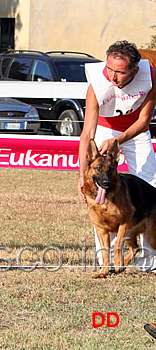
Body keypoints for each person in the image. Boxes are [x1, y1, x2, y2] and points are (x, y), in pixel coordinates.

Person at [77, 40, 156, 271]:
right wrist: (82, 174)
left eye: (120, 72)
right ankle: (106, 261)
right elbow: (87, 133)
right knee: (99, 192)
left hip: (133, 132)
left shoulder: (150, 76)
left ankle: (149, 261)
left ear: (134, 70)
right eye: (109, 69)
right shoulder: (96, 82)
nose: (112, 76)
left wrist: (117, 141)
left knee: (151, 185)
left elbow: (143, 122)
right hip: (104, 128)